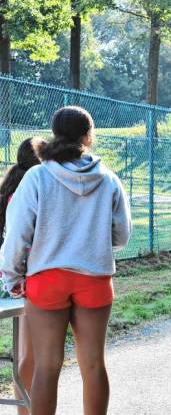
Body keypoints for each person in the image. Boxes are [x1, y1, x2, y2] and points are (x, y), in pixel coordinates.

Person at [0, 106, 132, 415]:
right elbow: (122, 236)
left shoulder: (37, 176)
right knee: (94, 365)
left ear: (55, 134)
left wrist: (12, 276)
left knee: (47, 366)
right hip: (94, 278)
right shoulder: (109, 180)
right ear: (89, 135)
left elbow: (17, 235)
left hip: (47, 279)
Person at [0, 137, 46, 415]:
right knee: (31, 355)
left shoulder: (9, 190)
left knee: (27, 354)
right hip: (23, 280)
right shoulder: (33, 191)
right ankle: (24, 412)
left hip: (9, 277)